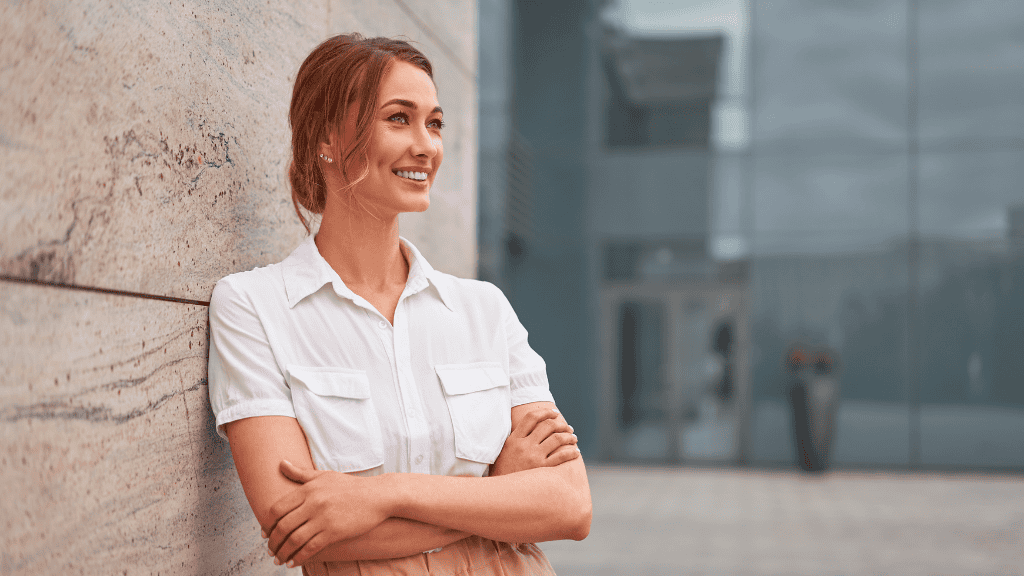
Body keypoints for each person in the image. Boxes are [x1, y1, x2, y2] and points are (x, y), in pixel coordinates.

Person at [207, 34, 591, 575]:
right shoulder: (254, 307)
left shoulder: (484, 310)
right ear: (326, 139)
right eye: (398, 119)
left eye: (434, 123)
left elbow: (570, 505)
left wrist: (381, 496)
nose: (426, 146)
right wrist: (499, 493)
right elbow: (296, 530)